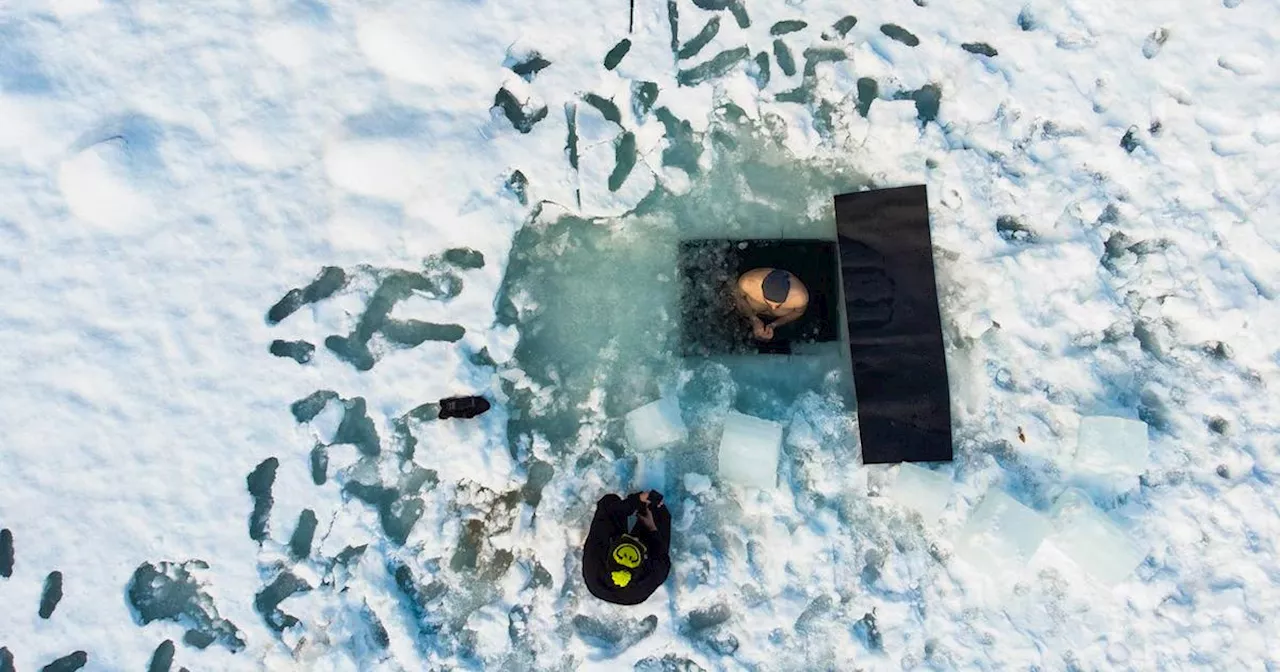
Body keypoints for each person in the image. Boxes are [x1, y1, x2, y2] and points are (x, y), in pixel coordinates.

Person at [582, 490, 671, 605]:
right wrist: (652, 528)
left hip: (597, 588)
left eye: (630, 540)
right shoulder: (650, 576)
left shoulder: (594, 559)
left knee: (609, 501)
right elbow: (663, 559)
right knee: (659, 514)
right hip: (634, 598)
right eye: (638, 543)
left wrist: (637, 500)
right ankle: (647, 515)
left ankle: (643, 513)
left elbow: (606, 512)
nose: (636, 538)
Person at [731, 268, 809, 342]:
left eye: (778, 305)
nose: (773, 308)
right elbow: (737, 297)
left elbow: (798, 312)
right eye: (768, 303)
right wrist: (753, 318)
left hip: (777, 319)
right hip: (750, 312)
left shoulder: (799, 297)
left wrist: (775, 324)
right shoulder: (748, 283)